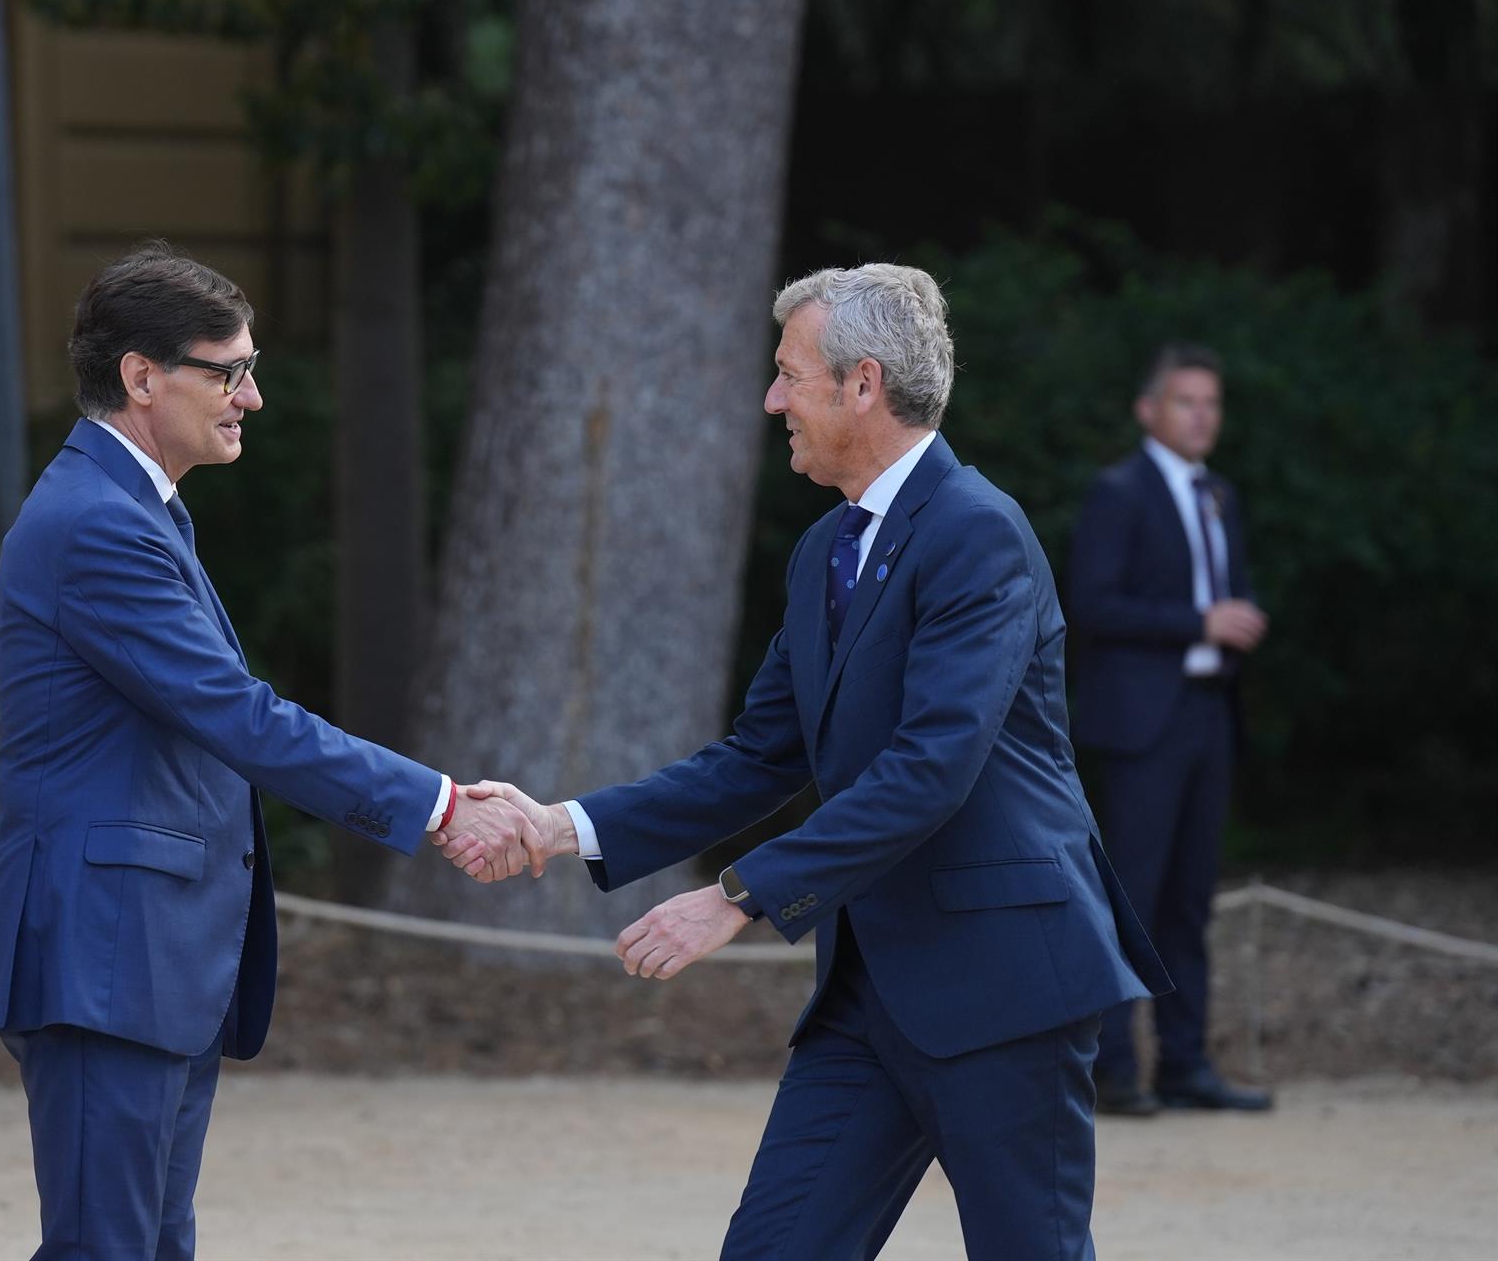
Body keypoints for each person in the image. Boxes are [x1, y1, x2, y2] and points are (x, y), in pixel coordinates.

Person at [472, 265, 1169, 1260]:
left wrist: (739, 895)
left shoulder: (979, 533)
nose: (772, 399)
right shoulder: (825, 551)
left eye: (789, 374)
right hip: (866, 998)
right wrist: (561, 826)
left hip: (1006, 983)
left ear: (862, 384)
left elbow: (932, 766)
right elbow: (759, 756)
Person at [0, 242, 538, 1261]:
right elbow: (241, 717)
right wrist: (443, 805)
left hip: (147, 961)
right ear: (142, 377)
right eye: (228, 371)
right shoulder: (98, 522)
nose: (253, 397)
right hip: (109, 958)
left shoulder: (131, 507)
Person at [1068, 344, 1272, 1116]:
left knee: (1191, 899)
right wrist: (1199, 622)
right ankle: (1113, 1069)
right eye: (1186, 401)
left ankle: (1185, 1064)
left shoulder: (1220, 493)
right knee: (1132, 895)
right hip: (1140, 724)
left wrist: (1236, 620)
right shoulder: (1118, 492)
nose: (1202, 416)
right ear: (1148, 410)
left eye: (1211, 403)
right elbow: (1091, 603)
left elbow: (1227, 592)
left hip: (1209, 713)